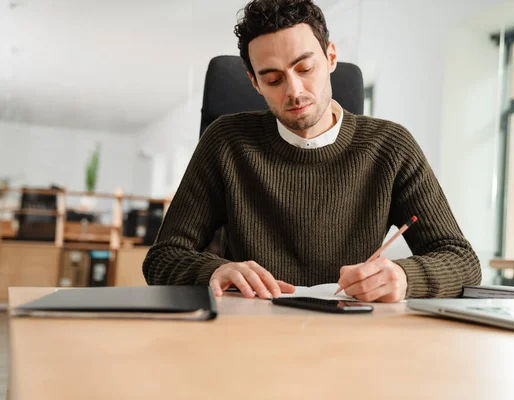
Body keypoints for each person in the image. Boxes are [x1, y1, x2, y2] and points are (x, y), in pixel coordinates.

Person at [142, 0, 481, 303]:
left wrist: (406, 277)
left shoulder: (391, 146)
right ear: (254, 83)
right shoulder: (226, 142)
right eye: (273, 79)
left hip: (355, 338)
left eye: (305, 69)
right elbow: (163, 258)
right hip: (249, 336)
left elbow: (462, 261)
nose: (295, 91)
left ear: (331, 57)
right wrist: (213, 271)